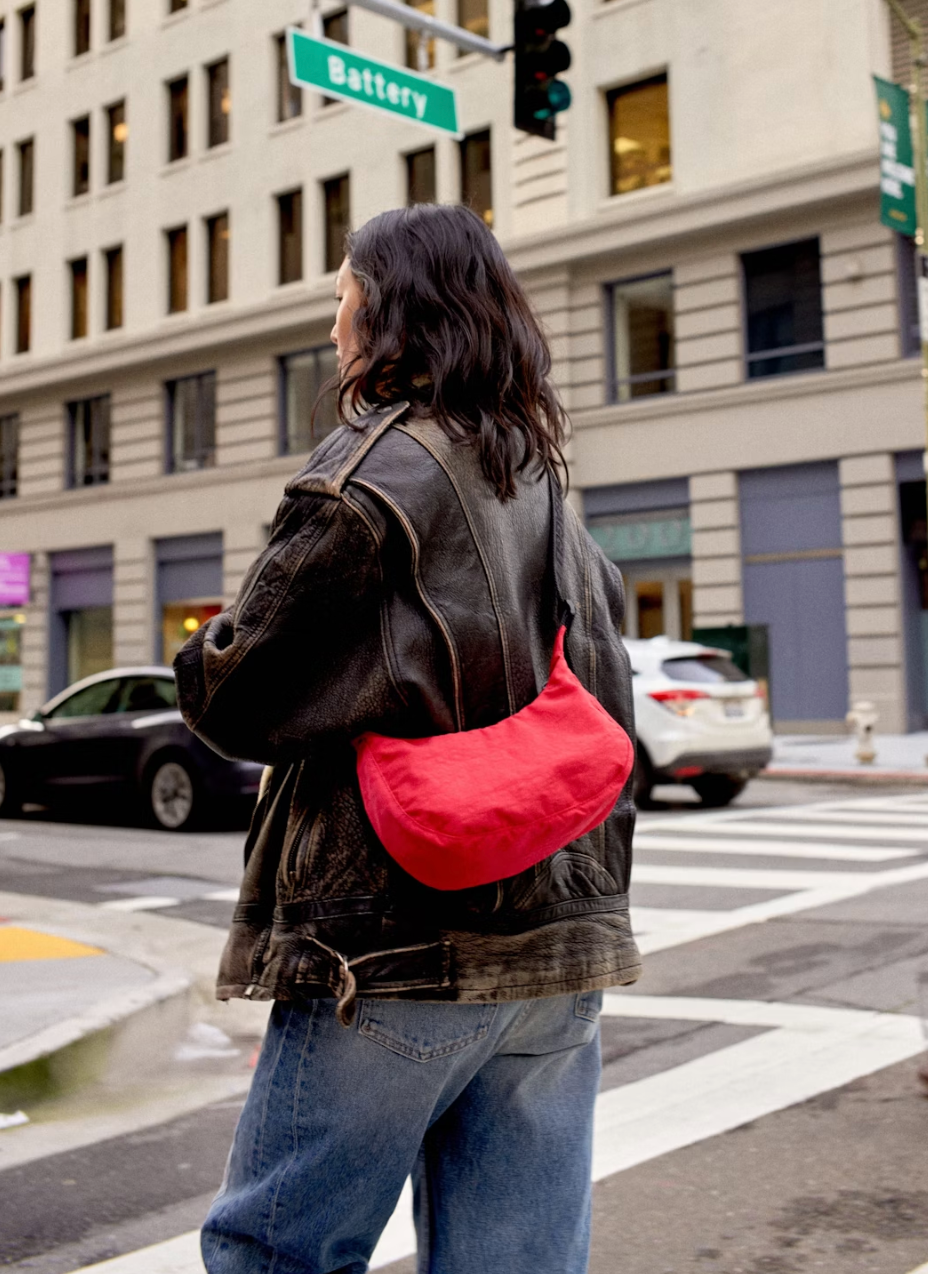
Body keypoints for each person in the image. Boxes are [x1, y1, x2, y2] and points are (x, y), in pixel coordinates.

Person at [174, 203, 640, 1274]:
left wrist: (204, 648)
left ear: (383, 310)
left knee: (275, 1251)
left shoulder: (367, 475)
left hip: (391, 945)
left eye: (342, 292)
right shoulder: (538, 473)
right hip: (557, 945)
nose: (334, 320)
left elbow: (239, 695)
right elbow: (609, 697)